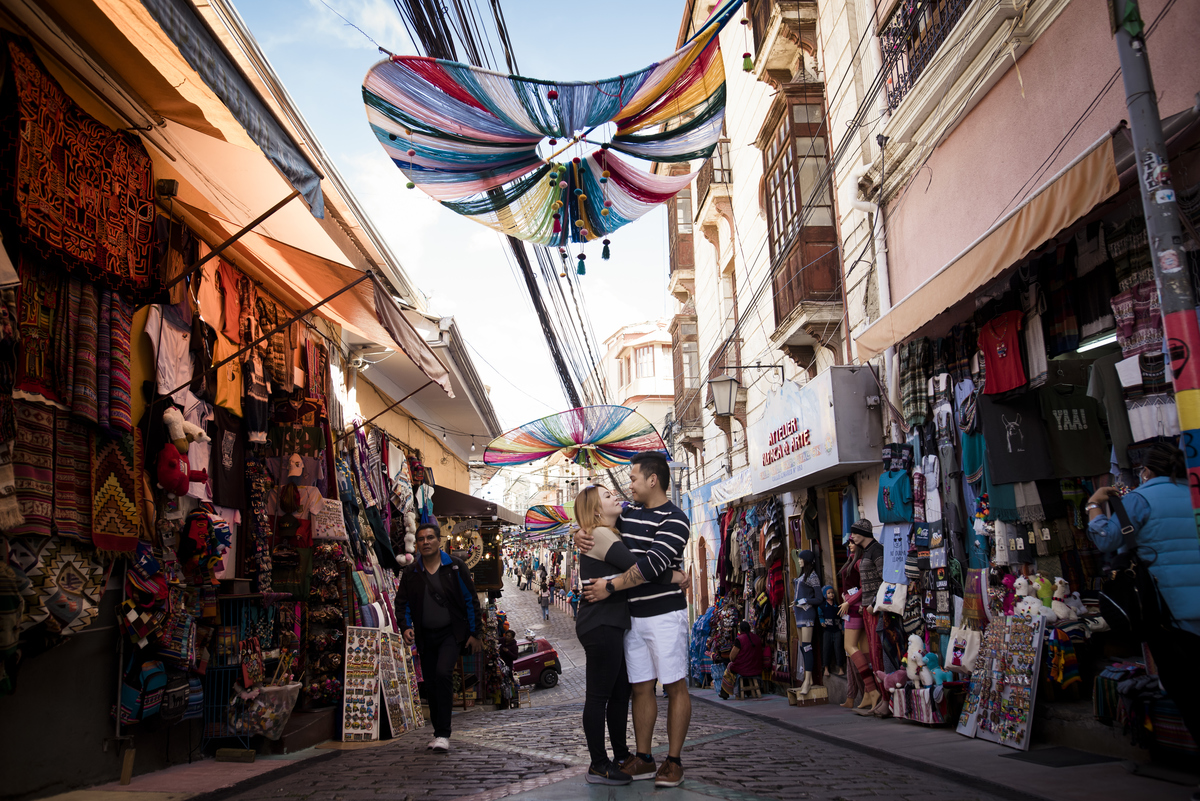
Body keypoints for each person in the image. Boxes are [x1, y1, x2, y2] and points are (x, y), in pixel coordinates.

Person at [579, 452, 691, 788]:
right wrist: (579, 533)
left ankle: (673, 761)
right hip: (632, 618)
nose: (628, 486)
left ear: (652, 479)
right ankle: (643, 759)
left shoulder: (676, 519)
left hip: (665, 614)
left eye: (633, 479)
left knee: (674, 685)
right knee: (640, 687)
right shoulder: (629, 515)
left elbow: (651, 567)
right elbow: (599, 521)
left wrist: (609, 586)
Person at [1086, 441, 1200, 753]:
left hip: (1167, 611)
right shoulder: (1194, 492)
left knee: (1187, 692)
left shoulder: (1140, 499)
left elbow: (1107, 540)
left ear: (1146, 470)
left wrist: (1094, 505)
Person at [394, 522, 482, 753]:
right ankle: (438, 732)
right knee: (431, 683)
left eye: (430, 538)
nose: (425, 542)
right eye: (421, 539)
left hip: (450, 634)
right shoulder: (411, 573)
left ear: (438, 540)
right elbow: (402, 604)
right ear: (417, 543)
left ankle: (444, 734)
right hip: (424, 636)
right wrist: (405, 627)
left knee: (443, 674)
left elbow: (470, 601)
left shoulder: (455, 567)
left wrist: (474, 634)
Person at [791, 549, 822, 695]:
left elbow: (819, 598)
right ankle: (807, 678)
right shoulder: (802, 575)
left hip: (807, 613)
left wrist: (805, 601)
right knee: (803, 647)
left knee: (807, 645)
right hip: (798, 612)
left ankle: (808, 679)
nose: (799, 560)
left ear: (807, 560)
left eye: (801, 559)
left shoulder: (813, 576)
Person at [719, 622, 764, 699]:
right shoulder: (757, 638)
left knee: (729, 667)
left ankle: (725, 692)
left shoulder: (740, 639)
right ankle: (747, 691)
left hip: (744, 668)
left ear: (740, 629)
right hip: (757, 667)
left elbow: (732, 657)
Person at [818, 585, 845, 678]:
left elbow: (842, 618)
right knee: (826, 649)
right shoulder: (822, 607)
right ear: (825, 595)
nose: (831, 595)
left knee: (838, 648)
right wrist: (822, 623)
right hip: (827, 630)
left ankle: (840, 668)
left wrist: (843, 628)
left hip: (837, 629)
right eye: (829, 593)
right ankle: (826, 668)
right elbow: (820, 616)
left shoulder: (837, 605)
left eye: (832, 593)